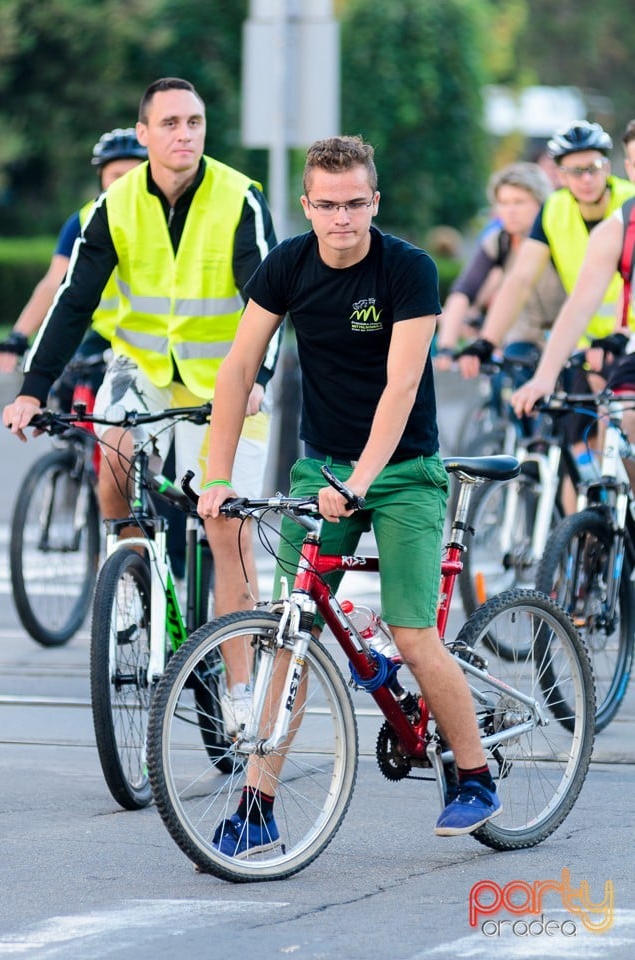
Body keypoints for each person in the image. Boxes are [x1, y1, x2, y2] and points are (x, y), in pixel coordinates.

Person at [196, 135, 502, 857]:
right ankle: (258, 803)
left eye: (355, 203)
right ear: (306, 206)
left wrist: (361, 481)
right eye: (327, 206)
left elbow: (401, 386)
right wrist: (217, 476)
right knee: (290, 629)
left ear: (375, 202)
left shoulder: (408, 269)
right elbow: (239, 370)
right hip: (321, 469)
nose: (342, 218)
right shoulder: (288, 266)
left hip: (402, 473)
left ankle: (475, 773)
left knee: (412, 632)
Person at [3, 78, 279, 719]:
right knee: (115, 447)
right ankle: (128, 567)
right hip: (146, 366)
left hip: (231, 378)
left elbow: (267, 299)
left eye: (195, 122)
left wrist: (258, 376)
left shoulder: (240, 198)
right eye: (172, 123)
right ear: (147, 132)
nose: (185, 134)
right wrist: (31, 391)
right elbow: (74, 301)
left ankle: (241, 691)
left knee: (225, 527)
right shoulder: (114, 205)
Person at [458, 120, 635, 377]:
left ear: (607, 167)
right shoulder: (553, 210)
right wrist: (487, 341)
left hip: (626, 340)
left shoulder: (629, 202)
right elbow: (520, 280)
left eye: (593, 168)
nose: (586, 179)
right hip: (582, 341)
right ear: (560, 175)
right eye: (575, 171)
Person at [512, 119, 635, 478]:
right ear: (628, 167)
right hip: (620, 347)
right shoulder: (619, 226)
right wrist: (544, 378)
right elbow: (579, 303)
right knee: (618, 425)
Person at [0, 128, 148, 379]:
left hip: (160, 340)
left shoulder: (168, 218)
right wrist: (18, 337)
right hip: (106, 337)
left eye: (134, 174)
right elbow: (54, 282)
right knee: (66, 391)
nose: (125, 183)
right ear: (101, 178)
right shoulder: (83, 220)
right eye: (116, 175)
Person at [434, 162, 564, 370]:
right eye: (503, 203)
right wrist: (446, 346)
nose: (510, 211)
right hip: (523, 335)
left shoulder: (561, 238)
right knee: (507, 382)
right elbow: (464, 291)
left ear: (541, 203)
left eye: (519, 202)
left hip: (567, 335)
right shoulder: (498, 242)